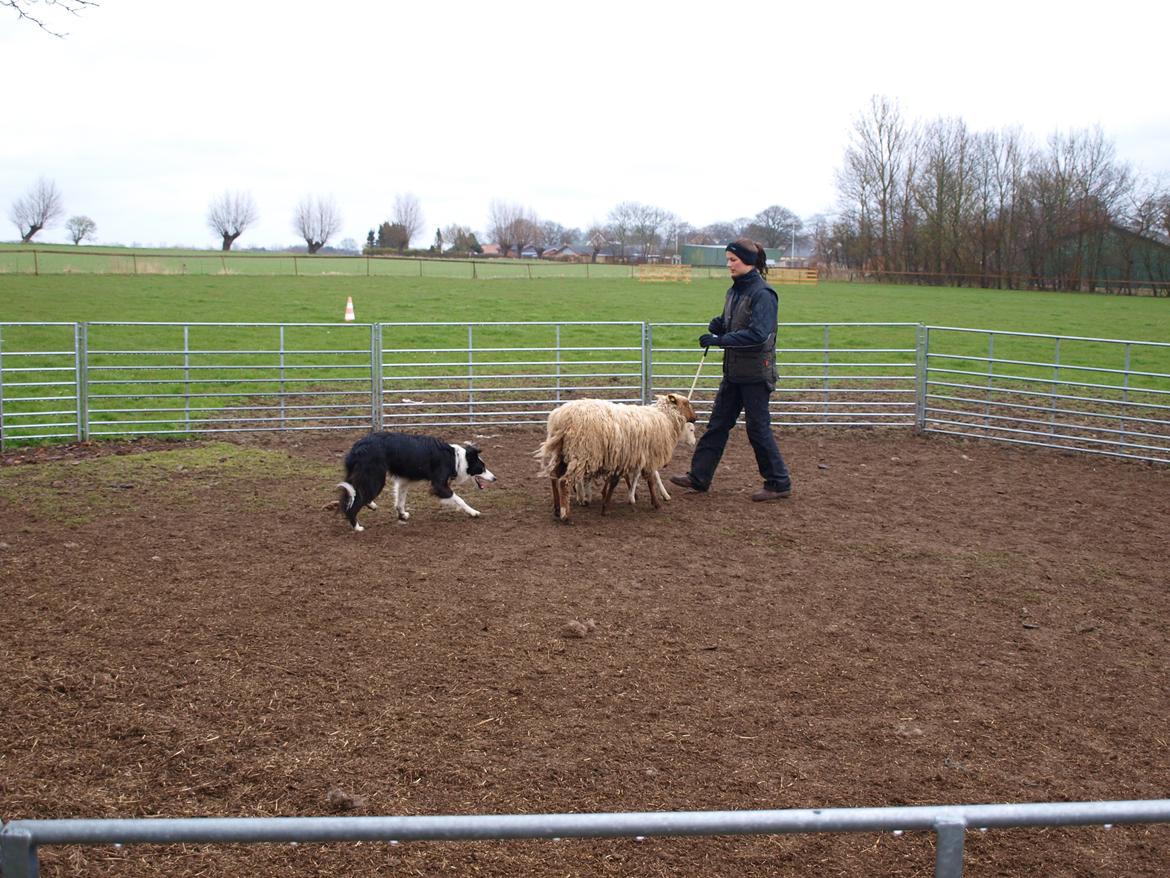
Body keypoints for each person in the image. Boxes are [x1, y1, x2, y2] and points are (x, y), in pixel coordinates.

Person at [670, 238, 792, 501]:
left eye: (733, 260)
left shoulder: (763, 294)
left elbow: (759, 335)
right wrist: (719, 325)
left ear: (747, 261)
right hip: (734, 372)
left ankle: (778, 482)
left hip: (756, 374)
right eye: (728, 260)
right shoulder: (735, 291)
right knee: (718, 424)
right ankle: (699, 476)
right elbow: (734, 323)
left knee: (758, 429)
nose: (729, 265)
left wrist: (720, 340)